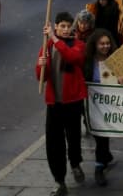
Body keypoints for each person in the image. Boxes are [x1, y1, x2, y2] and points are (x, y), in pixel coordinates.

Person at [35, 12, 87, 196]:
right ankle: (59, 180)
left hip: (73, 101)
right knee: (54, 143)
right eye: (62, 26)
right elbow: (41, 76)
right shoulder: (47, 45)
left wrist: (55, 39)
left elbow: (73, 58)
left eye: (68, 26)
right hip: (54, 102)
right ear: (55, 26)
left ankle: (75, 162)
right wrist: (41, 65)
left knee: (73, 138)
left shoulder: (78, 45)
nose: (65, 29)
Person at [82, 28, 118, 186]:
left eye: (107, 43)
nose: (105, 46)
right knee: (97, 134)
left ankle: (99, 168)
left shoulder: (115, 59)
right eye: (102, 44)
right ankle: (105, 156)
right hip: (91, 104)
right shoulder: (87, 60)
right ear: (95, 44)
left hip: (108, 105)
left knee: (102, 136)